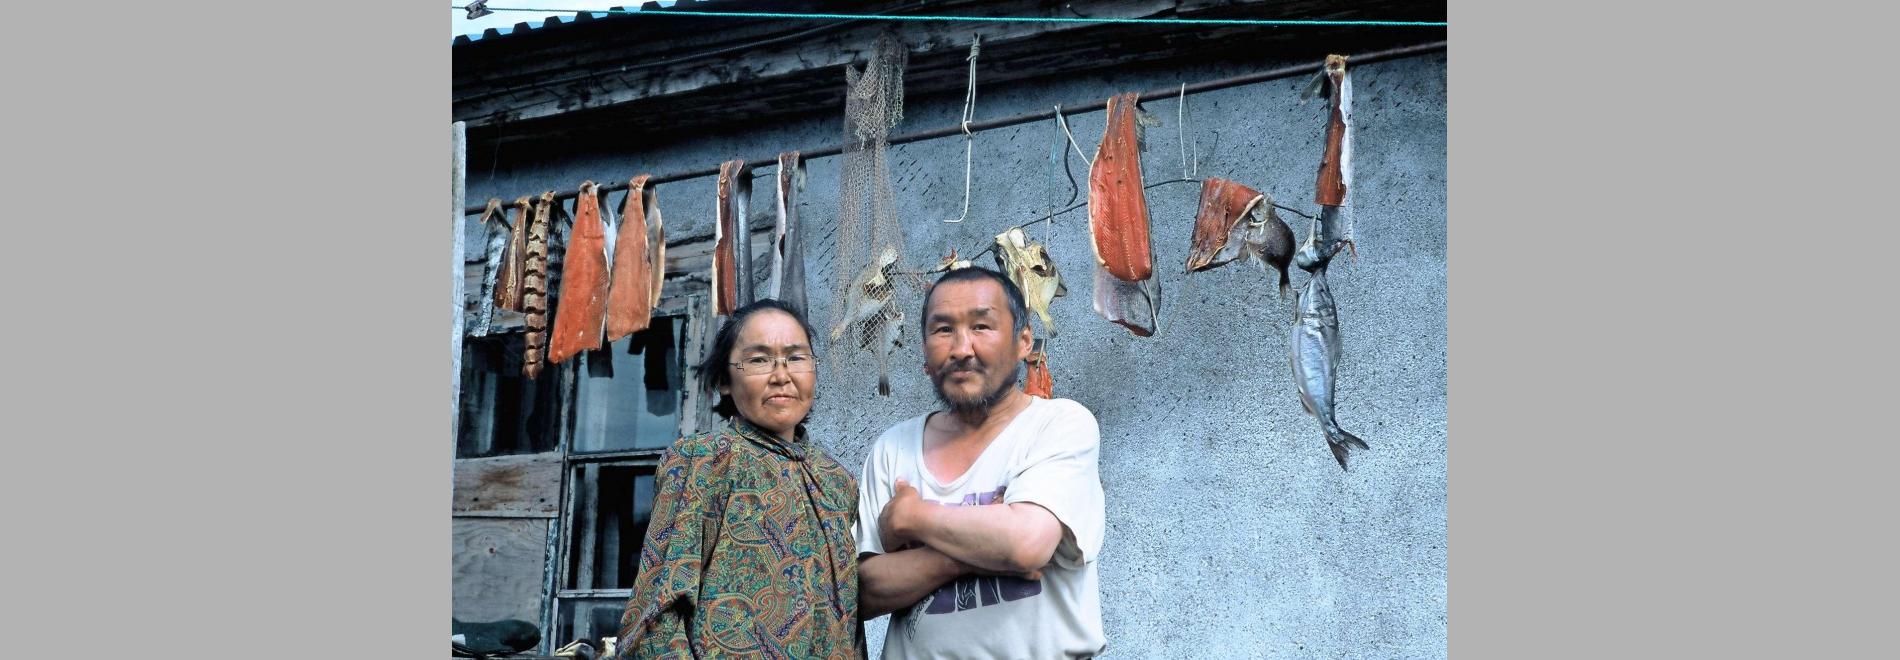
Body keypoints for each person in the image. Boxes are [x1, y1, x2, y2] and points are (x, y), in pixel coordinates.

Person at [855, 267, 1107, 659]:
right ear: (924, 353)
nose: (961, 349)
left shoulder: (1059, 425)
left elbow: (1025, 543)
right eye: (943, 330)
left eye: (981, 326)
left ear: (1024, 341)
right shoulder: (893, 449)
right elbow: (865, 591)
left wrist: (912, 519)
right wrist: (983, 550)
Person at [615, 299, 865, 658]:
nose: (782, 375)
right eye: (759, 360)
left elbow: (848, 624)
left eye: (796, 358)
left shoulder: (837, 481)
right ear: (723, 381)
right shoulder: (703, 461)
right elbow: (658, 614)